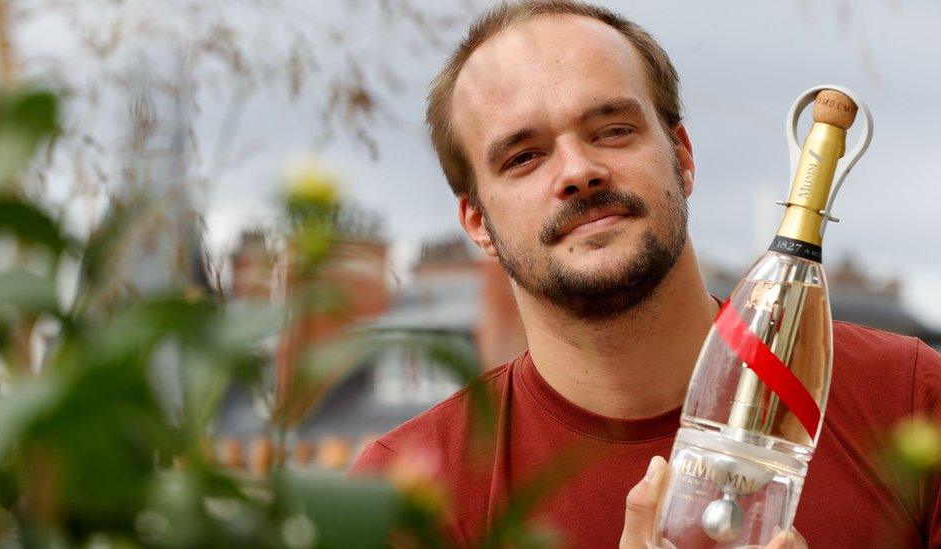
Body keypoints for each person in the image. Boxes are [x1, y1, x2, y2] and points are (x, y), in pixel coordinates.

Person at [350, 1, 941, 547]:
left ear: (682, 158)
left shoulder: (912, 401)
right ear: (477, 220)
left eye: (612, 129)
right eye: (524, 157)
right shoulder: (406, 496)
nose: (579, 171)